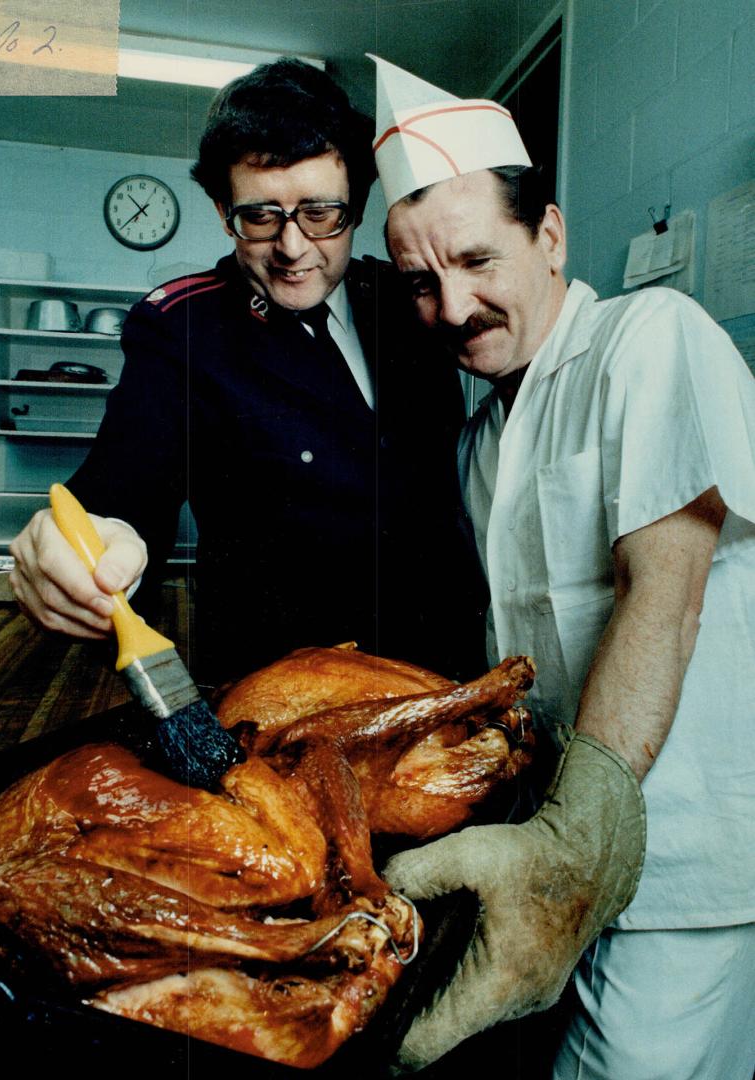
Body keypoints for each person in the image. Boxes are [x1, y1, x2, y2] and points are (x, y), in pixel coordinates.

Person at [371, 56, 755, 1079]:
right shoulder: (478, 441)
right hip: (549, 865)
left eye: (475, 261)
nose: (452, 308)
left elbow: (663, 598)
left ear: (548, 236)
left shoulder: (648, 340)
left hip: (672, 859)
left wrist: (573, 839)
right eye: (420, 282)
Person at [9, 59, 486, 686]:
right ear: (221, 209)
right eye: (260, 216)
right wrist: (90, 545)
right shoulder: (183, 328)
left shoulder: (411, 302)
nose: (291, 248)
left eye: (320, 214)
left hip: (441, 668)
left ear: (359, 206)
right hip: (277, 694)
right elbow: (122, 490)